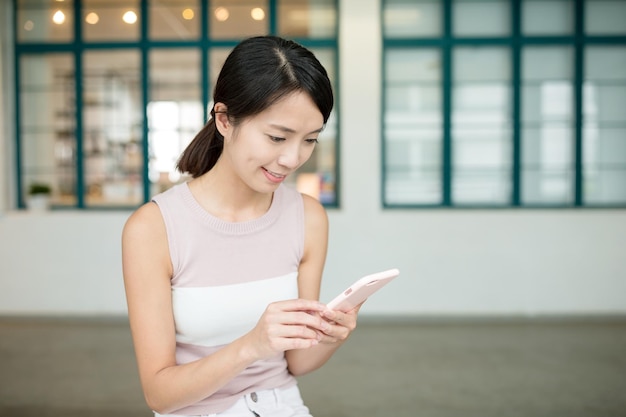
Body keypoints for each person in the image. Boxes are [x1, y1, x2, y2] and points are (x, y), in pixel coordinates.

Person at [122, 36, 362, 417]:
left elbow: (297, 363)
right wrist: (252, 345)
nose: (291, 158)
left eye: (310, 140)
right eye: (277, 137)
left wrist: (332, 337)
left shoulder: (308, 217)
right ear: (224, 119)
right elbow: (160, 395)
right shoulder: (154, 229)